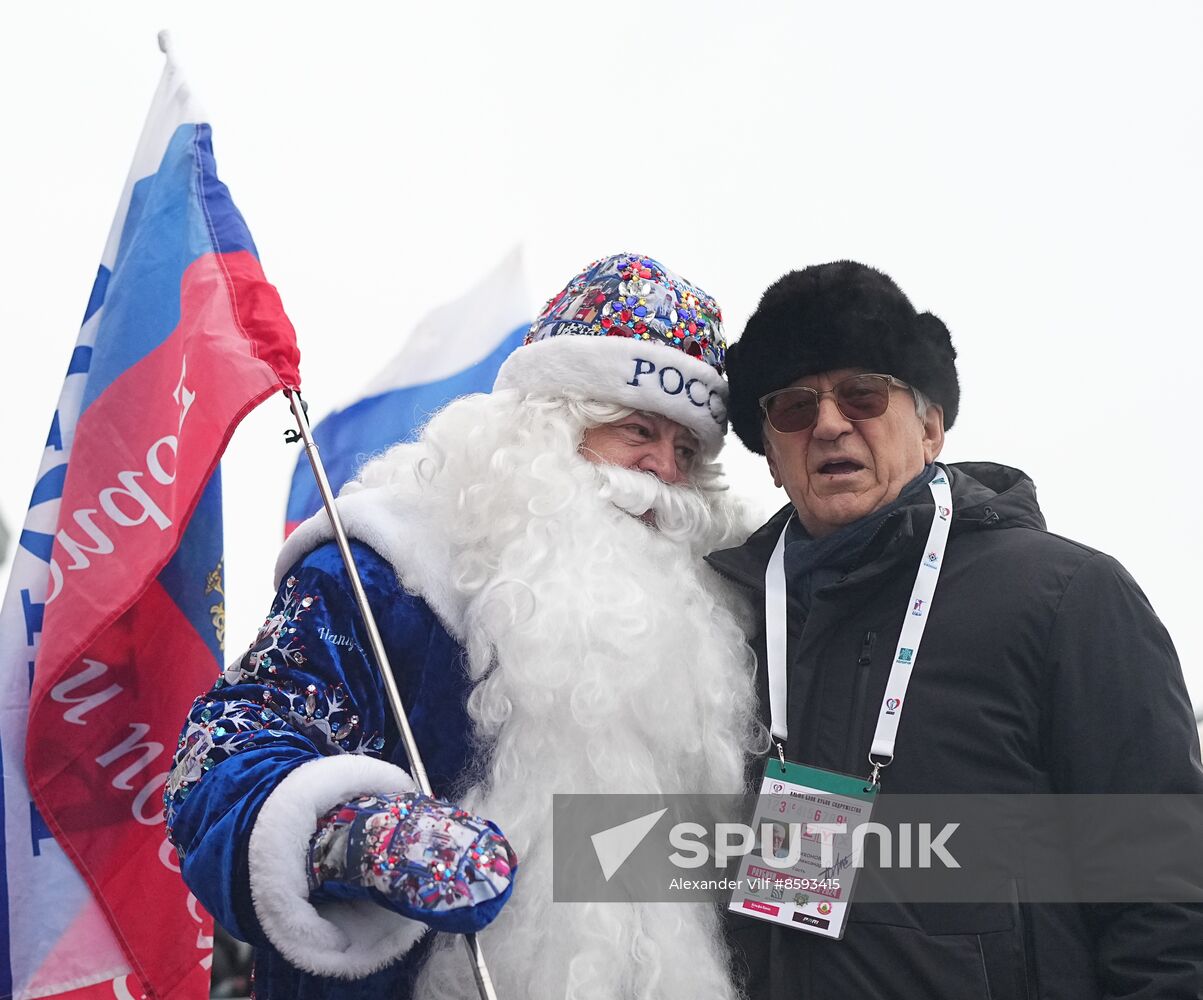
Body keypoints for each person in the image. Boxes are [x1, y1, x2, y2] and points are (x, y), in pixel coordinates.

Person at [165, 253, 766, 999]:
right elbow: (218, 753)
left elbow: (755, 868)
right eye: (635, 430)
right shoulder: (388, 572)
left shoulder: (721, 622)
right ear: (544, 430)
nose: (663, 476)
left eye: (686, 451)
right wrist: (354, 838)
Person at [709, 260, 1203, 998]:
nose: (830, 424)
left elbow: (1161, 886)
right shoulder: (729, 620)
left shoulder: (1063, 595)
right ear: (772, 459)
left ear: (931, 426)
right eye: (793, 409)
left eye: (862, 395)